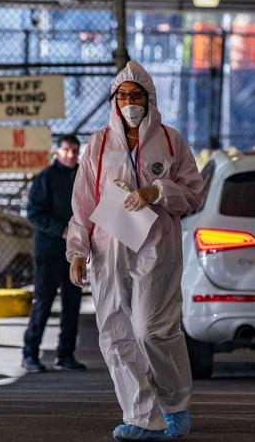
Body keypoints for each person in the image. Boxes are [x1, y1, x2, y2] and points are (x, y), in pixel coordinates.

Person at [66, 61, 204, 441]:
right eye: (123, 95)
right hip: (109, 247)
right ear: (114, 99)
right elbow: (82, 201)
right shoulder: (97, 144)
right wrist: (77, 249)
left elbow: (193, 194)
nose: (129, 101)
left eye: (136, 95)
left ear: (150, 98)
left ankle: (175, 404)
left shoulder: (172, 141)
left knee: (151, 330)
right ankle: (142, 416)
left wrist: (157, 191)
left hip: (156, 247)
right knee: (115, 333)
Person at [22, 134, 86, 373]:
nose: (71, 155)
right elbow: (34, 213)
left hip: (76, 251)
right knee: (43, 302)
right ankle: (30, 354)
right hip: (49, 250)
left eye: (75, 150)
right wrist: (62, 229)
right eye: (67, 150)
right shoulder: (45, 178)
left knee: (72, 304)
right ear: (57, 152)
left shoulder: (83, 176)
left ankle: (66, 354)